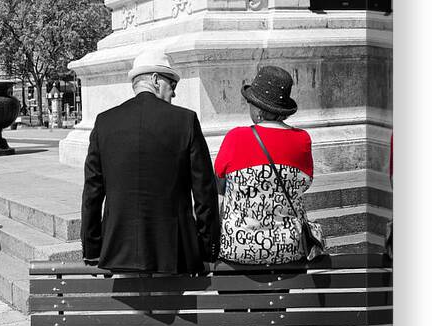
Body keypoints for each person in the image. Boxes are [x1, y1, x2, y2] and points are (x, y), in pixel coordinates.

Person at [81, 48, 220, 274]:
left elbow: (92, 193)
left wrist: (92, 248)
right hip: (174, 252)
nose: (174, 93)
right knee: (170, 308)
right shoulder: (185, 120)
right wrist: (206, 249)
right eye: (172, 85)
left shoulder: (104, 122)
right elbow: (204, 193)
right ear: (155, 80)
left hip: (118, 248)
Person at [214, 65, 314, 264]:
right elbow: (306, 183)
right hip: (288, 248)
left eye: (250, 102)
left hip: (238, 247)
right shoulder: (302, 140)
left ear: (258, 109)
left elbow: (219, 181)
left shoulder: (236, 138)